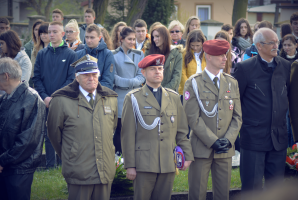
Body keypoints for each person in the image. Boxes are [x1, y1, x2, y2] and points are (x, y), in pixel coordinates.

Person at [121, 54, 194, 200]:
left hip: (168, 163)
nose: (157, 72)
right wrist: (130, 165)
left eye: (160, 68)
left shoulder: (173, 97)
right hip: (143, 164)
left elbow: (181, 131)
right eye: (153, 69)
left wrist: (188, 155)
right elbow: (127, 135)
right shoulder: (133, 98)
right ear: (143, 72)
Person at [47, 54, 118, 200]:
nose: (91, 78)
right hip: (78, 169)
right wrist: (71, 154)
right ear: (77, 77)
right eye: (86, 75)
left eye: (94, 74)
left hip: (104, 170)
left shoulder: (110, 98)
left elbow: (112, 128)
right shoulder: (61, 100)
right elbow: (54, 134)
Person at [233, 28, 290, 193]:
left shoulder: (286, 67)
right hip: (253, 140)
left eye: (276, 42)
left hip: (278, 141)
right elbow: (235, 103)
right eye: (271, 42)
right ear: (258, 45)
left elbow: (292, 101)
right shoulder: (245, 69)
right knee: (252, 190)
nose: (276, 45)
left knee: (276, 191)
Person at [183, 39, 242, 200]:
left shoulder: (231, 83)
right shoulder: (193, 83)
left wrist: (228, 140)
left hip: (225, 149)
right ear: (208, 56)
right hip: (202, 149)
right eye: (220, 55)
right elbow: (192, 118)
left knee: (223, 195)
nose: (225, 58)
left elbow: (237, 117)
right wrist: (213, 141)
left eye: (226, 54)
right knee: (197, 193)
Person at [33, 21, 77, 169]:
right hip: (45, 101)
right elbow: (36, 78)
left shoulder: (71, 54)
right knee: (48, 132)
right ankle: (51, 165)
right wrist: (45, 97)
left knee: (65, 133)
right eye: (49, 32)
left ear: (63, 34)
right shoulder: (41, 54)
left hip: (64, 101)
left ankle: (65, 164)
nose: (51, 35)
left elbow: (71, 79)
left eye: (54, 32)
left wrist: (56, 97)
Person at [0, 57, 46, 200]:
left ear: (5, 76)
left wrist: (2, 161)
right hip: (5, 165)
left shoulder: (32, 99)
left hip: (19, 169)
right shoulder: (4, 98)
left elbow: (27, 142)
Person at [112, 27, 145, 155]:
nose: (132, 42)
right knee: (120, 128)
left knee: (135, 128)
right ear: (121, 39)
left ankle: (133, 156)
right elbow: (114, 77)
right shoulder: (113, 54)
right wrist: (132, 82)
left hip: (136, 96)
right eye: (129, 39)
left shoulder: (139, 54)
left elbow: (142, 75)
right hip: (120, 96)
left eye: (134, 39)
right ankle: (118, 157)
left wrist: (133, 82)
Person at [76, 24, 115, 90]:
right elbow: (74, 79)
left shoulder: (107, 54)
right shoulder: (78, 54)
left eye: (92, 37)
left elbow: (108, 81)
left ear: (99, 38)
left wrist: (91, 92)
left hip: (100, 96)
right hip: (80, 96)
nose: (88, 40)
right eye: (87, 37)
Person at [145, 25, 183, 91]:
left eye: (157, 36)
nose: (154, 39)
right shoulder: (148, 52)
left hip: (169, 94)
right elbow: (145, 73)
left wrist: (163, 91)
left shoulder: (177, 53)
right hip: (151, 92)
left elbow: (176, 77)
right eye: (153, 37)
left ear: (164, 36)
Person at [280, 34, 298, 148]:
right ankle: (287, 155)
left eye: (289, 45)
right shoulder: (280, 59)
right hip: (284, 98)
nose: (287, 47)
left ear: (296, 45)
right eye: (285, 45)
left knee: (294, 129)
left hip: (295, 98)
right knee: (286, 128)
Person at [178, 29, 206, 96]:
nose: (195, 48)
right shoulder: (184, 53)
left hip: (204, 91)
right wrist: (189, 87)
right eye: (192, 45)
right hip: (188, 91)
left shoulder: (207, 54)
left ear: (202, 43)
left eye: (198, 45)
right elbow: (182, 73)